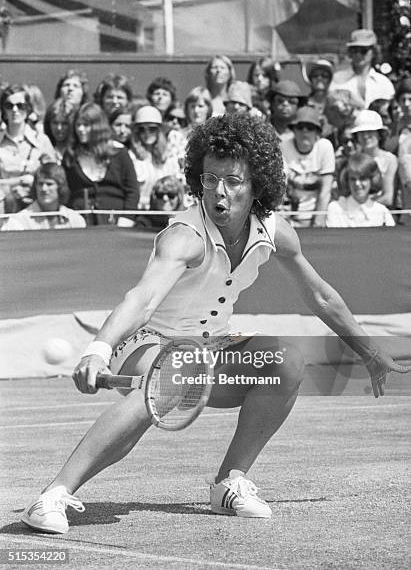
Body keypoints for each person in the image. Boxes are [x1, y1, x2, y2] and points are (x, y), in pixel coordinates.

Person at [21, 113, 400, 534]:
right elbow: (142, 300)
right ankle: (52, 496)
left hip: (212, 347)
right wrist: (100, 347)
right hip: (150, 343)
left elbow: (321, 295)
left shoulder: (275, 231)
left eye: (233, 180)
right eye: (209, 178)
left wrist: (370, 352)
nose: (219, 191)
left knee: (286, 360)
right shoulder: (185, 236)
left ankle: (230, 482)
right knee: (174, 375)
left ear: (258, 182)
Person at [63, 103, 139, 226]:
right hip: (80, 225)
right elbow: (66, 192)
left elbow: (132, 191)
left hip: (116, 225)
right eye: (78, 125)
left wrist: (126, 219)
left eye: (86, 125)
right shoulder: (71, 156)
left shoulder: (119, 153)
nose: (80, 129)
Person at [0, 84, 56, 214]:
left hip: (35, 210)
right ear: (3, 110)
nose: (15, 110)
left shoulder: (41, 141)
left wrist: (32, 185)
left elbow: (54, 178)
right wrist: (18, 182)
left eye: (20, 106)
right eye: (9, 106)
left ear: (28, 109)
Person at [281, 106, 335, 227]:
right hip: (288, 215)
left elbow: (325, 191)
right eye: (300, 127)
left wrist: (317, 223)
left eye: (310, 128)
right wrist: (284, 223)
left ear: (317, 131)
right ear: (294, 130)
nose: (304, 131)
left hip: (316, 214)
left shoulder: (325, 147)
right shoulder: (283, 147)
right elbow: (281, 188)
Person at [1, 161, 86, 231]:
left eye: (49, 184)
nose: (44, 189)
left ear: (60, 187)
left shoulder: (76, 220)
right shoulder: (18, 222)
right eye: (40, 184)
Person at [130, 105, 182, 210]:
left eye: (152, 129)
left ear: (159, 131)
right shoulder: (131, 157)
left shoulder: (169, 157)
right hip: (141, 213)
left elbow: (177, 189)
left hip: (166, 211)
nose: (147, 133)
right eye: (142, 129)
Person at [326, 152, 395, 228]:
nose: (357, 184)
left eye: (362, 178)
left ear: (372, 180)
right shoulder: (336, 208)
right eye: (353, 179)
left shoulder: (382, 212)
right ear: (347, 181)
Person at [330, 29, 395, 107]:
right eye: (354, 50)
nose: (358, 55)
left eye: (363, 51)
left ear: (374, 52)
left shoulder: (384, 83)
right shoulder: (337, 80)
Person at [350, 110, 398, 207]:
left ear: (379, 134)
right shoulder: (352, 159)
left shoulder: (390, 160)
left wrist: (364, 208)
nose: (366, 136)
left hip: (381, 215)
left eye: (370, 131)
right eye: (361, 132)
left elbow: (388, 197)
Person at [43, 99, 76, 164]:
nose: (59, 128)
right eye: (55, 123)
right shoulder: (43, 149)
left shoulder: (77, 152)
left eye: (64, 123)